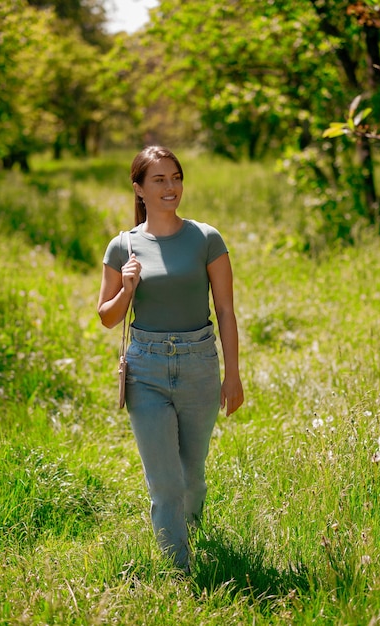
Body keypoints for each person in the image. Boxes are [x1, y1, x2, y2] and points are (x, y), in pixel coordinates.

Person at [97, 146, 244, 573]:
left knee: (191, 476)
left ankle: (192, 533)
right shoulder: (122, 246)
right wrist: (127, 287)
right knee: (165, 484)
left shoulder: (206, 238)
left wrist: (232, 375)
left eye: (176, 177)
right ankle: (178, 572)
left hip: (199, 360)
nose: (170, 187)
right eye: (159, 180)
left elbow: (227, 311)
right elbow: (106, 318)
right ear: (139, 188)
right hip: (146, 367)